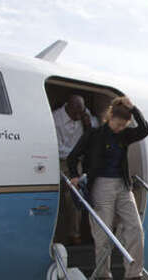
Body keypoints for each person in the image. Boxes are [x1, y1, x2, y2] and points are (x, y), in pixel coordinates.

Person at [67, 96, 148, 280]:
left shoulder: (124, 135)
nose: (120, 128)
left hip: (123, 185)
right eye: (118, 124)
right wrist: (74, 176)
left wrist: (134, 108)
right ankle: (103, 274)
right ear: (110, 117)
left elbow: (144, 130)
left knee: (135, 228)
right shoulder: (94, 134)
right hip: (101, 185)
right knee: (103, 231)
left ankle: (133, 273)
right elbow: (73, 157)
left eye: (124, 125)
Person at [53, 94, 98, 245]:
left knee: (78, 194)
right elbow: (57, 148)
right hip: (61, 159)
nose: (79, 116)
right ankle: (66, 234)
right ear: (68, 108)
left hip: (77, 160)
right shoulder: (55, 119)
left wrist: (88, 123)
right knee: (66, 196)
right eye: (76, 114)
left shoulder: (83, 114)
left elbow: (97, 130)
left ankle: (78, 233)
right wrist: (77, 151)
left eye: (81, 112)